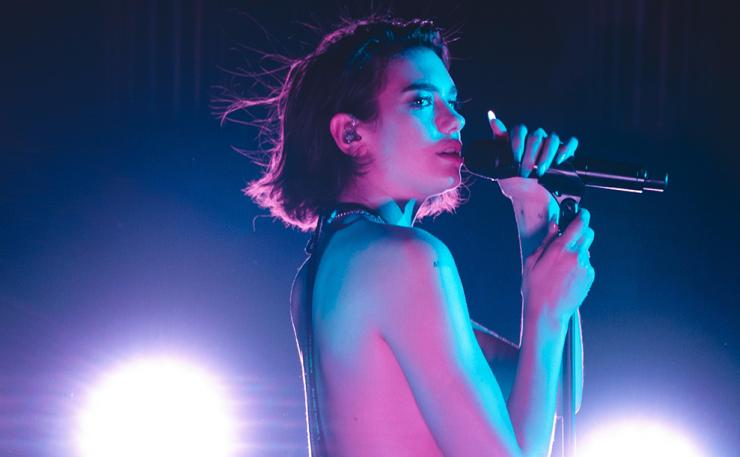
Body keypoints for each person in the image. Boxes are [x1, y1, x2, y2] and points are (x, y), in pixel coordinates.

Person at [220, 15, 594, 457]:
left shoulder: (326, 268)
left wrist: (532, 211)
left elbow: (551, 389)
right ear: (350, 133)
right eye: (421, 102)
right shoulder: (404, 260)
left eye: (452, 101)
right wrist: (544, 312)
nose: (455, 120)